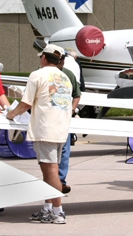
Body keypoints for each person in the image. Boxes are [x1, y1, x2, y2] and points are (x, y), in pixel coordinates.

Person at [6, 44, 73, 224]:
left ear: (44, 58)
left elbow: (26, 103)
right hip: (61, 129)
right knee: (50, 169)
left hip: (45, 129)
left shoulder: (37, 75)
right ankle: (48, 208)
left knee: (50, 170)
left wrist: (11, 114)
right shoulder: (65, 77)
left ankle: (58, 211)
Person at [54, 46, 81, 195]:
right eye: (59, 59)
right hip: (48, 120)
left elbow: (77, 95)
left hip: (64, 120)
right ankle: (51, 181)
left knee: (64, 150)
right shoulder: (42, 74)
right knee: (50, 153)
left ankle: (61, 181)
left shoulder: (68, 75)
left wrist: (71, 110)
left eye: (63, 59)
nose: (61, 62)